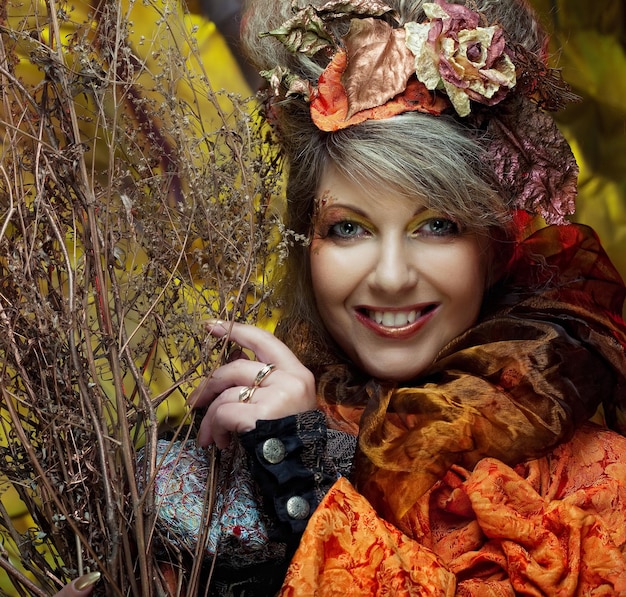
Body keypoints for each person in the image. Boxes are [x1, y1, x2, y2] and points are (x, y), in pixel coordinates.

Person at [59, 0, 626, 594]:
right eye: (348, 228)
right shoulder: (236, 436)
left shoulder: (589, 479)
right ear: (306, 246)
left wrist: (298, 492)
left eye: (436, 225)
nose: (389, 277)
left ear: (491, 248)